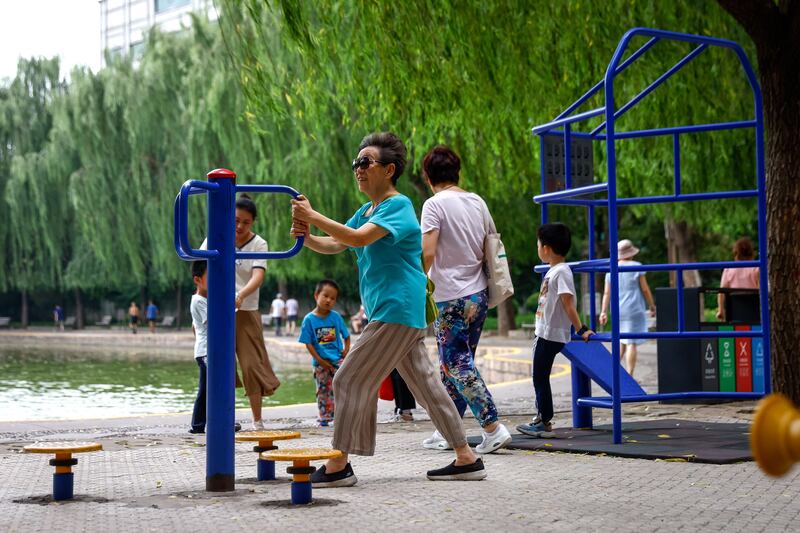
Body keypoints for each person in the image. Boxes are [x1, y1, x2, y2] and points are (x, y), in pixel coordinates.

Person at [291, 131, 486, 486]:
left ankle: (339, 464)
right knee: (427, 386)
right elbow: (337, 243)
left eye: (366, 162)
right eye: (356, 163)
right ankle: (466, 456)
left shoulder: (398, 205)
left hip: (397, 308)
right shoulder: (367, 210)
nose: (358, 169)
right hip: (393, 310)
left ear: (389, 169)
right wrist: (306, 236)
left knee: (348, 377)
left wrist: (313, 214)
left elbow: (359, 239)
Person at [419, 145, 512, 454]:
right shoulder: (477, 202)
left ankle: (492, 427)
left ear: (428, 176)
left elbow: (428, 253)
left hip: (449, 296)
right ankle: (448, 430)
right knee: (457, 364)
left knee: (456, 364)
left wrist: (414, 281)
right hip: (478, 294)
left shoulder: (433, 205)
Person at [203, 194, 281, 430]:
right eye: (235, 220)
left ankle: (257, 421)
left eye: (245, 222)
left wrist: (240, 295)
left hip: (245, 310)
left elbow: (258, 275)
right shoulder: (216, 237)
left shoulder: (259, 244)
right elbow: (200, 267)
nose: (239, 226)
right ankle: (218, 418)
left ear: (253, 222)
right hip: (218, 310)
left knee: (251, 365)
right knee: (218, 363)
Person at [517, 223, 594, 438]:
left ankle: (544, 421)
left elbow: (568, 304)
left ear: (547, 248)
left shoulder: (561, 273)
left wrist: (582, 329)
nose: (538, 249)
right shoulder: (555, 271)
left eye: (539, 245)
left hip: (549, 334)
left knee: (539, 377)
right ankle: (542, 417)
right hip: (546, 332)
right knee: (540, 376)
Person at [188, 261, 241, 434]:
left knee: (209, 388)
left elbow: (196, 327)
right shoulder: (198, 301)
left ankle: (201, 424)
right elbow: (214, 323)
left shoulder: (205, 300)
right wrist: (231, 307)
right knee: (213, 388)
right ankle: (216, 422)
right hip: (206, 353)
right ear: (197, 279)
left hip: (209, 351)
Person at [598, 239, 656, 376]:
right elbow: (645, 289)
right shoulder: (637, 266)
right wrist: (652, 305)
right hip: (634, 308)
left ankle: (613, 371)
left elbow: (607, 293)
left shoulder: (611, 269)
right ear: (631, 253)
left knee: (621, 340)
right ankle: (630, 374)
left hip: (618, 309)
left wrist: (603, 312)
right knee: (631, 342)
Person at [298, 279, 351, 427]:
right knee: (322, 390)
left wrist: (346, 351)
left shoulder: (336, 317)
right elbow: (308, 343)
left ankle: (342, 416)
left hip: (337, 360)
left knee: (342, 387)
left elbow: (346, 336)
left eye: (333, 298)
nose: (329, 300)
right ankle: (324, 418)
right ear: (316, 295)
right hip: (320, 363)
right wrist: (319, 360)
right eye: (325, 296)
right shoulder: (309, 320)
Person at [716, 237, 760, 321]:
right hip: (756, 315)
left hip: (734, 316)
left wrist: (720, 310)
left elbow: (721, 292)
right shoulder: (757, 269)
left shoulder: (729, 270)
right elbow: (762, 291)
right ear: (751, 252)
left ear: (736, 252)